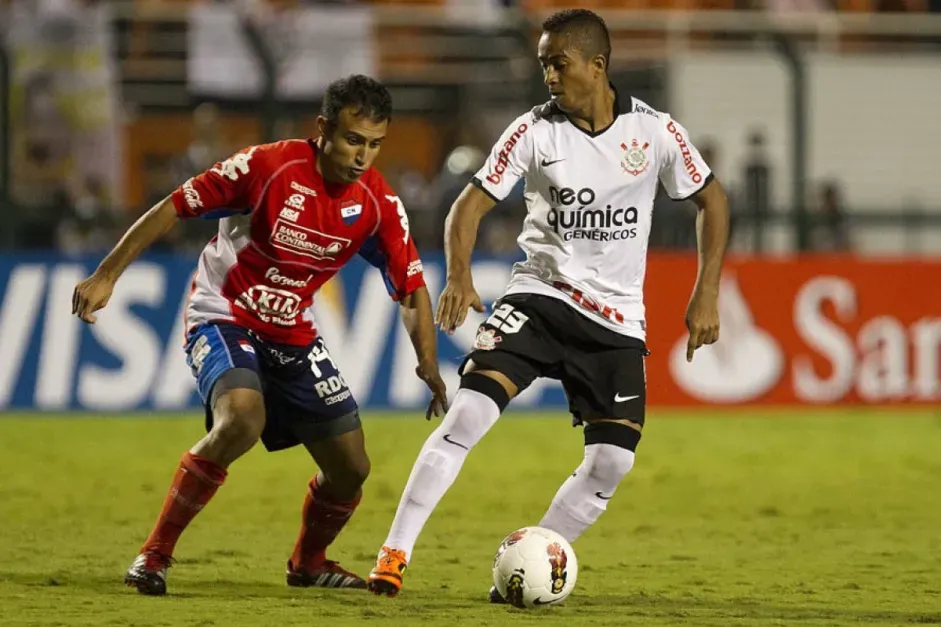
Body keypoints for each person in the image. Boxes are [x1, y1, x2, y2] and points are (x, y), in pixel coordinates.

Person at [366, 9, 730, 600]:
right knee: (468, 415)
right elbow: (469, 204)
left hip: (615, 323)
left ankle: (535, 557)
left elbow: (712, 200)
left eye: (558, 64)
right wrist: (459, 274)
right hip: (540, 298)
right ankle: (394, 552)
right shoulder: (533, 131)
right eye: (543, 66)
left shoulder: (656, 133)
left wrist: (705, 291)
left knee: (613, 462)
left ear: (598, 65)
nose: (550, 78)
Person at [71, 75, 448, 596]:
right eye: (352, 140)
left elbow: (410, 289)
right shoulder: (267, 167)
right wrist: (107, 275)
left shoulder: (377, 203)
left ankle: (308, 562)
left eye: (374, 144)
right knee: (243, 418)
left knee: (351, 468)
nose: (363, 156)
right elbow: (174, 206)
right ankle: (154, 555)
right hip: (223, 312)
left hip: (291, 331)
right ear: (322, 129)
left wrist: (427, 362)